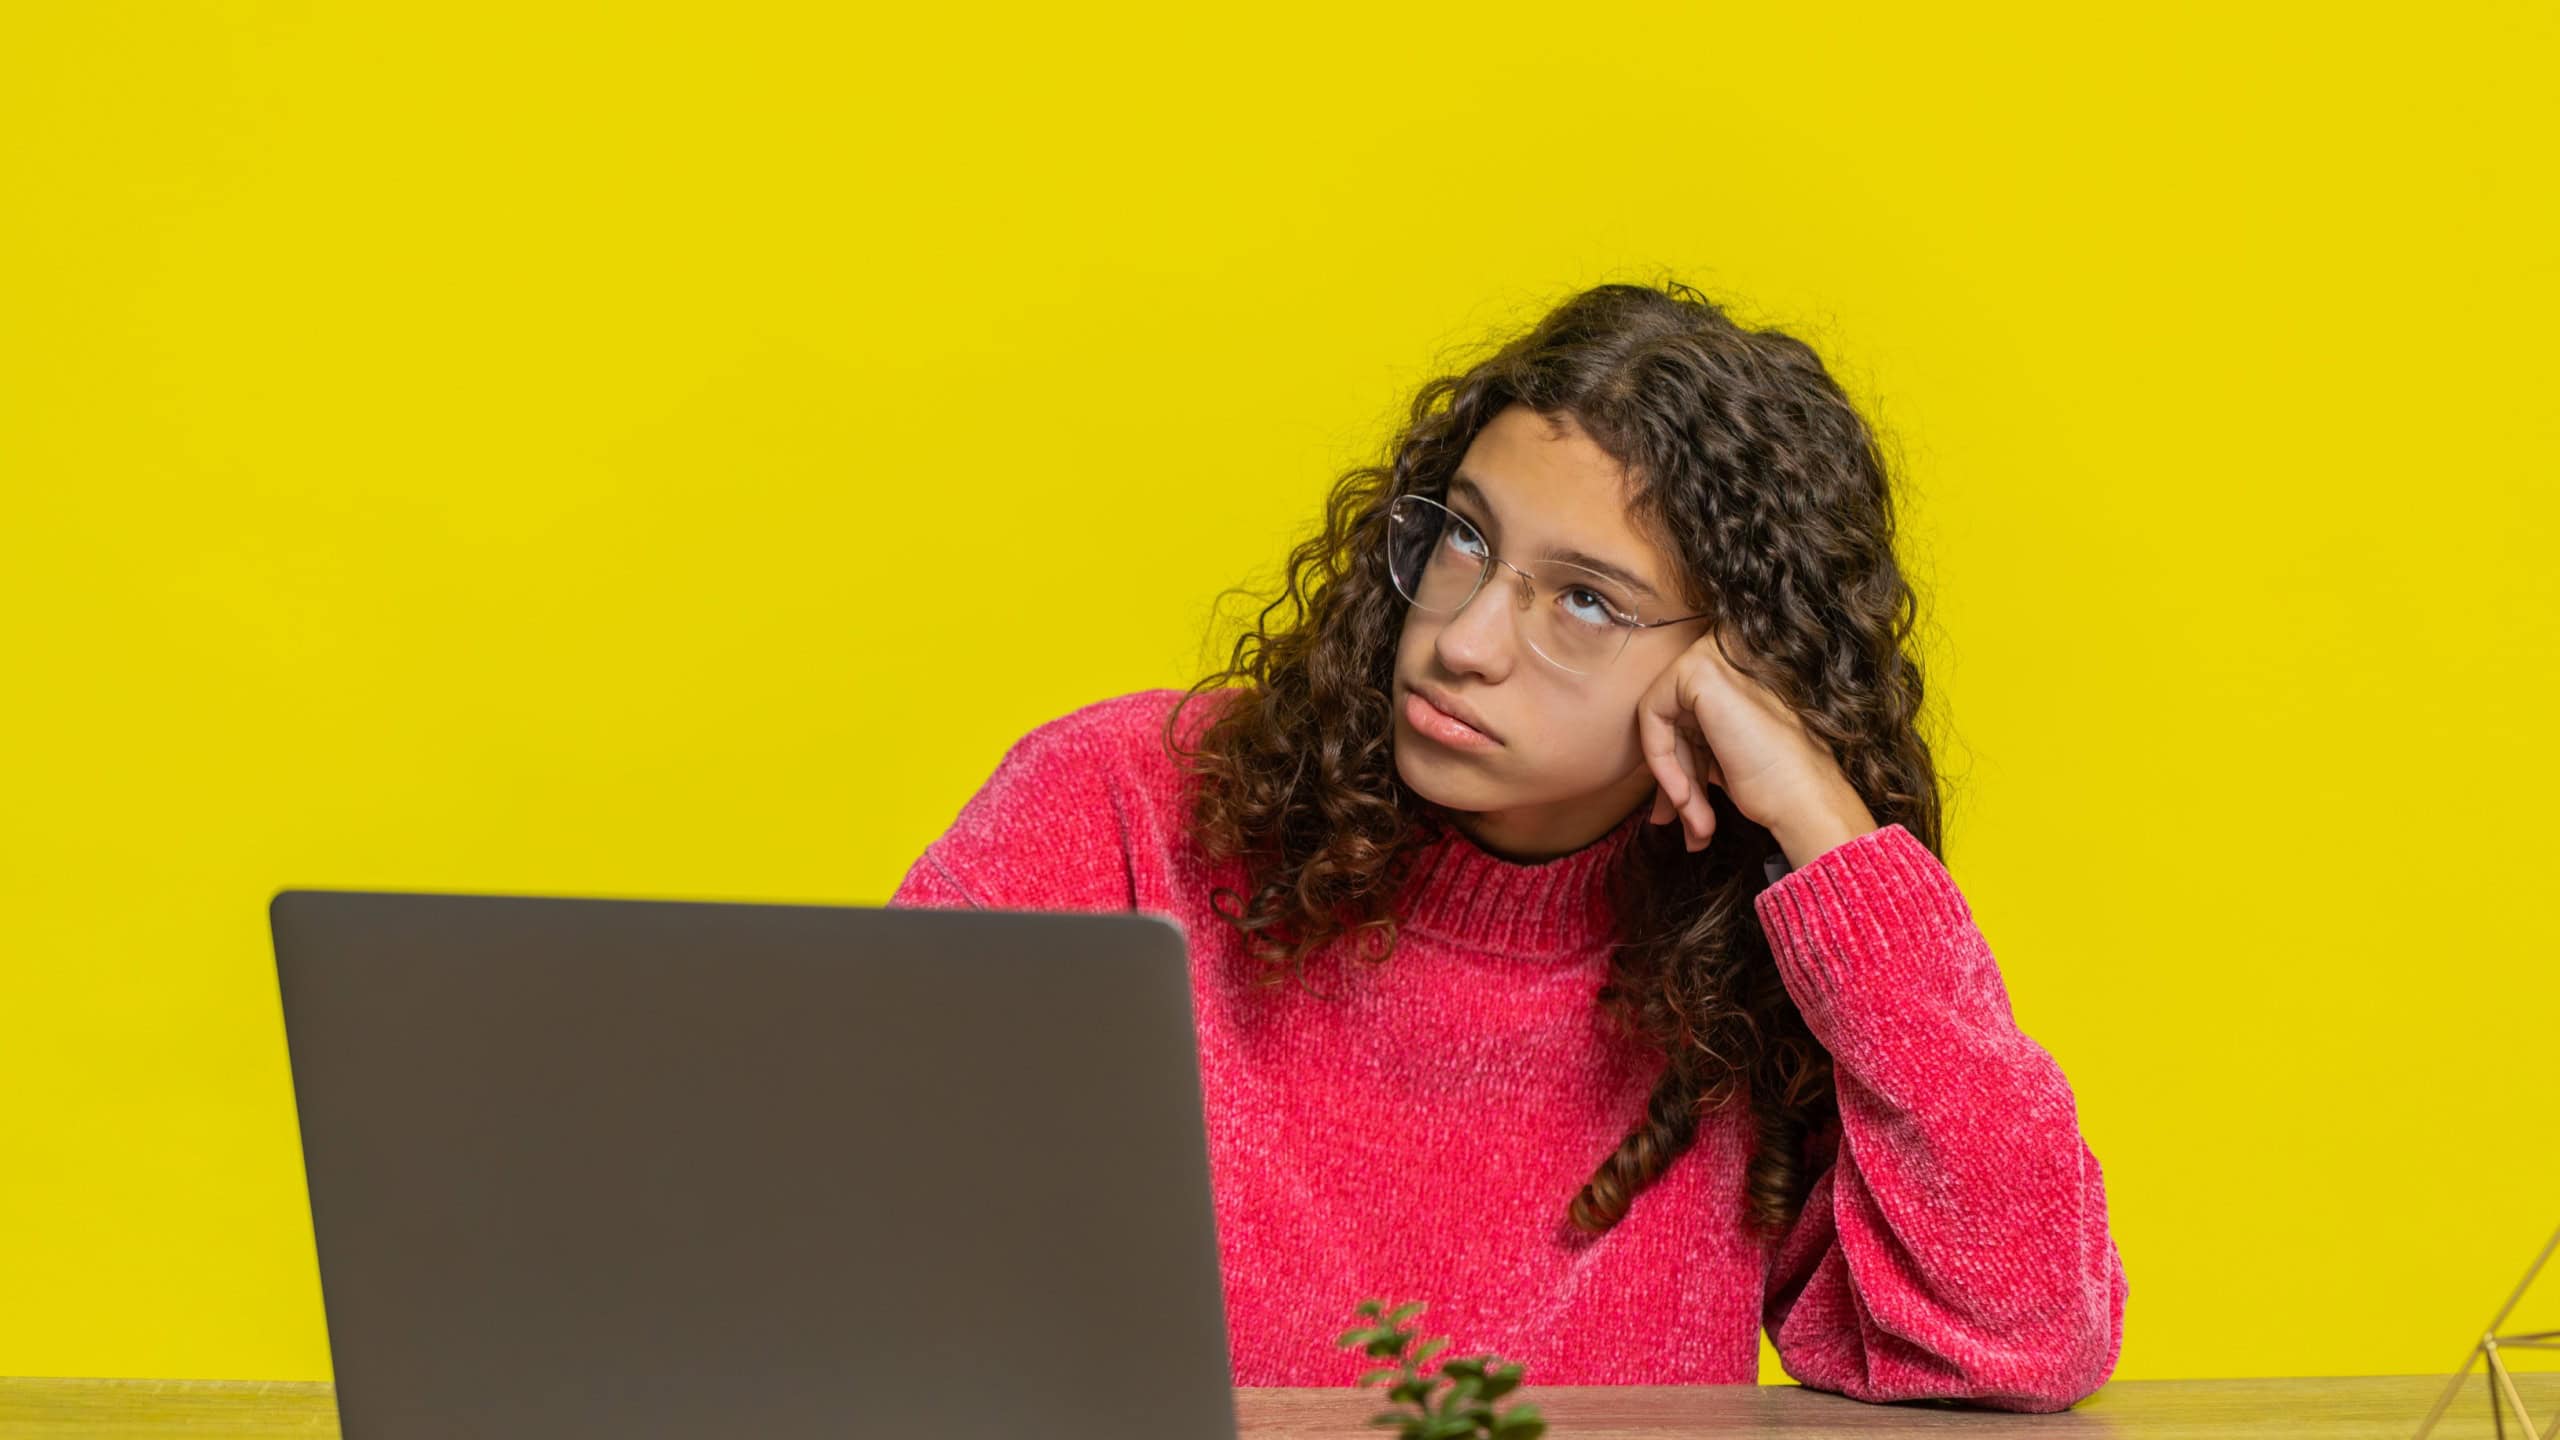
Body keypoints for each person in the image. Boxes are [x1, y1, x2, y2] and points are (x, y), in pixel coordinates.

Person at [889, 278, 2127, 1412]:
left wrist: (1829, 838)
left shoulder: (1751, 971)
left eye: (1584, 600)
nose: (1466, 639)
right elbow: (835, 1221)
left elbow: (2022, 1335)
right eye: (1466, 537)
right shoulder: (1119, 807)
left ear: (1734, 669)